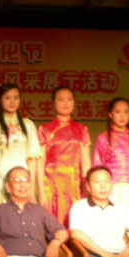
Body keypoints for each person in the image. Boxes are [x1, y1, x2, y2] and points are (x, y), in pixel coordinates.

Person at [0, 83, 41, 223]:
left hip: (22, 180)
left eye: (15, 97)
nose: (12, 101)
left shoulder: (28, 125)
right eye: (7, 98)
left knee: (23, 221)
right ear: (0, 100)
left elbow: (32, 159)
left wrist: (31, 189)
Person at [37, 86, 92, 226]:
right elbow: (40, 163)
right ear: (53, 103)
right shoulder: (44, 129)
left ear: (74, 102)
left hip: (75, 186)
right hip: (51, 186)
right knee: (52, 226)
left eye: (69, 99)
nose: (65, 103)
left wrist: (87, 190)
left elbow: (86, 163)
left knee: (75, 225)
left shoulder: (82, 129)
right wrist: (41, 192)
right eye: (61, 99)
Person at [93, 97, 129, 224]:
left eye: (126, 112)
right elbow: (97, 165)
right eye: (118, 112)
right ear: (110, 114)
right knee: (116, 221)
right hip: (114, 187)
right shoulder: (103, 138)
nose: (122, 116)